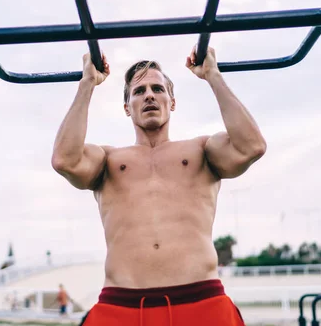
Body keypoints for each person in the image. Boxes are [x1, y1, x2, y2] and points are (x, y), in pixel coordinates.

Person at [51, 46, 266, 325]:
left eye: (158, 89)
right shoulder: (109, 160)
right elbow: (64, 160)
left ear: (172, 102)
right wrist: (87, 83)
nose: (149, 95)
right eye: (138, 92)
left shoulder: (201, 151)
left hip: (201, 301)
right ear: (127, 108)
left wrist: (213, 75)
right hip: (123, 304)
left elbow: (251, 147)